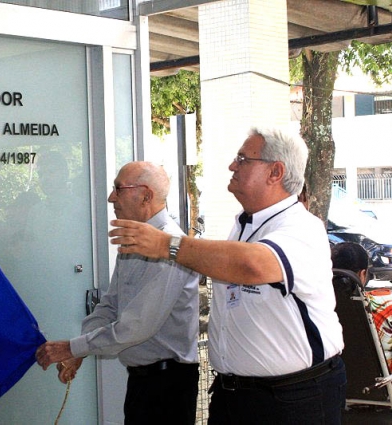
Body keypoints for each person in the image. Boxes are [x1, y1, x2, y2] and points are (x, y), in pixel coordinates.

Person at [108, 127, 346, 424]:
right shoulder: (244, 225)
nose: (233, 165)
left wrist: (165, 245)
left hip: (293, 399)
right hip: (235, 395)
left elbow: (253, 266)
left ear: (276, 171)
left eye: (243, 159)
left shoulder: (300, 226)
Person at [35, 161, 201, 425]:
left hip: (168, 387)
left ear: (145, 195)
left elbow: (136, 326)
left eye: (118, 188)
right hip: (142, 383)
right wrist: (79, 350)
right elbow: (110, 304)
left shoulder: (171, 246)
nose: (112, 197)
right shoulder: (134, 240)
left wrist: (73, 347)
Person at [333, 241, 392, 372]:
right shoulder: (385, 307)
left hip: (338, 381)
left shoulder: (319, 307)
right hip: (382, 384)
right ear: (362, 274)